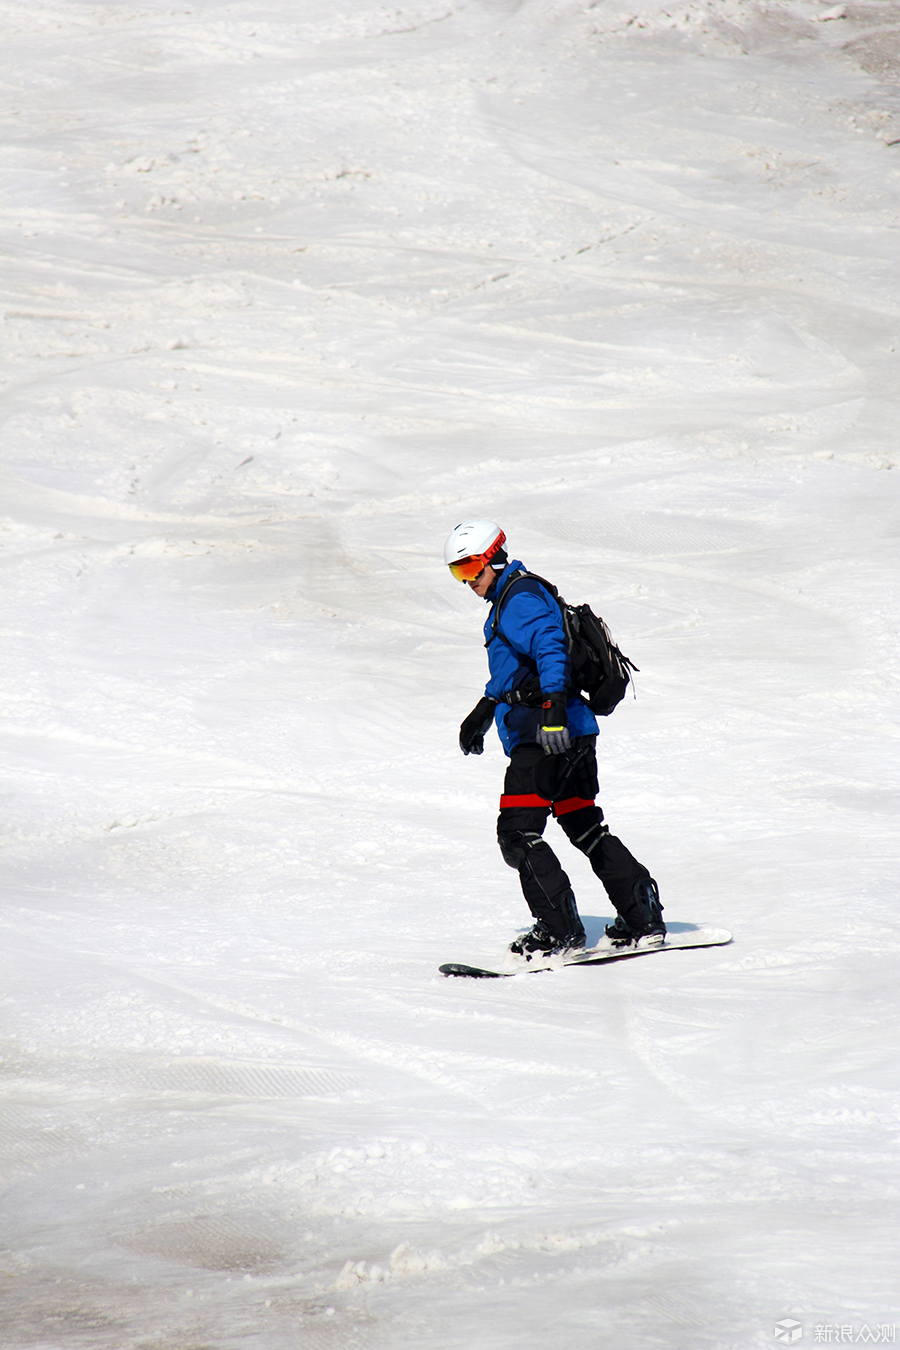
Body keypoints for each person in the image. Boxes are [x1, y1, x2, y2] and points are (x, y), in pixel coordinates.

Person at [445, 518, 665, 959]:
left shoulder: (519, 598)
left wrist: (552, 710)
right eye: (457, 572)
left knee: (518, 833)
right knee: (585, 825)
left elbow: (548, 646)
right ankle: (642, 916)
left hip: (546, 735)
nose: (468, 581)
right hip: (573, 732)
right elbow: (517, 668)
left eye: (470, 567)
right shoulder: (516, 594)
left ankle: (559, 931)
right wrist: (485, 709)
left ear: (492, 557)